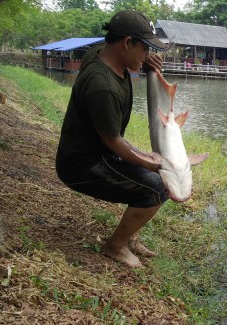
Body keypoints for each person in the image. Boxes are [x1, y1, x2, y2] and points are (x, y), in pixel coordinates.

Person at [55, 10, 171, 268]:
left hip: (98, 150)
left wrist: (145, 60)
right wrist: (147, 163)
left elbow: (111, 47)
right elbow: (113, 141)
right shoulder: (103, 86)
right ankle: (115, 246)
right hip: (81, 164)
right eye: (145, 48)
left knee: (153, 180)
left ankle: (129, 236)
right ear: (127, 43)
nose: (148, 54)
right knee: (157, 187)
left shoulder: (99, 55)